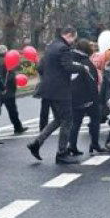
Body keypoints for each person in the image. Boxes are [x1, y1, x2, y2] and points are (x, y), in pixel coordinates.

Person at [27, 26, 85, 164]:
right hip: (61, 90)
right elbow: (69, 67)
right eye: (73, 39)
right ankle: (61, 153)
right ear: (69, 35)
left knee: (58, 119)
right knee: (68, 120)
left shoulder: (51, 46)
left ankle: (36, 143)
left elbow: (40, 67)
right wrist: (82, 67)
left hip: (48, 90)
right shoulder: (64, 48)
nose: (73, 42)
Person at [67, 38, 103, 155]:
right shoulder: (86, 62)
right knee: (95, 119)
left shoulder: (70, 59)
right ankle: (95, 143)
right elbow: (92, 81)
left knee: (76, 122)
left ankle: (72, 145)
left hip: (72, 95)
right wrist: (95, 98)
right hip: (88, 97)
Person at [0, 45, 25, 134]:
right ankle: (18, 127)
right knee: (12, 111)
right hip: (7, 90)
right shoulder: (6, 61)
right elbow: (9, 77)